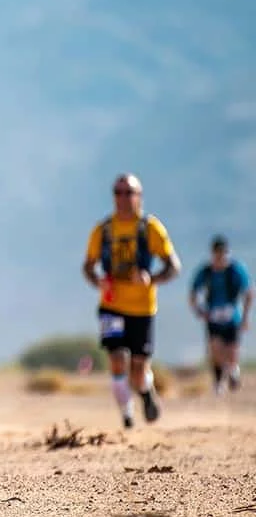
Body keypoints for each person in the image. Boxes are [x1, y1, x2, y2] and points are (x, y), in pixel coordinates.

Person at [82, 173, 180, 428]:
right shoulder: (103, 230)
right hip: (111, 305)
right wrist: (97, 281)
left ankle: (145, 392)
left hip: (142, 308)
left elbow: (173, 266)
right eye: (118, 192)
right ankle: (127, 416)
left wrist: (151, 278)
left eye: (129, 192)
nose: (123, 198)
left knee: (137, 369)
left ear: (139, 196)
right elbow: (88, 266)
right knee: (116, 359)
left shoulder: (150, 228)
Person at [189, 235, 252, 394]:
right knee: (215, 349)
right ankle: (218, 381)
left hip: (232, 317)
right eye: (217, 253)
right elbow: (193, 292)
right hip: (213, 317)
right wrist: (199, 311)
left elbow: (249, 292)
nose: (220, 257)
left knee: (232, 350)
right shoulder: (206, 272)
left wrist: (245, 317)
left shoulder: (236, 270)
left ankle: (233, 371)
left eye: (222, 253)